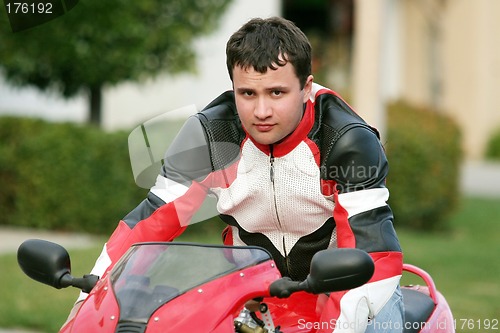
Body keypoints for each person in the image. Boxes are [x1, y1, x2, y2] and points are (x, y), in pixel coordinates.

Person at [65, 16, 404, 332]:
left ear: (306, 87)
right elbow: (153, 219)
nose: (261, 111)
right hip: (253, 294)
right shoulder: (212, 136)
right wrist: (92, 297)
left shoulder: (345, 140)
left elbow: (374, 255)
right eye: (247, 93)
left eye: (276, 92)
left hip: (350, 288)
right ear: (233, 88)